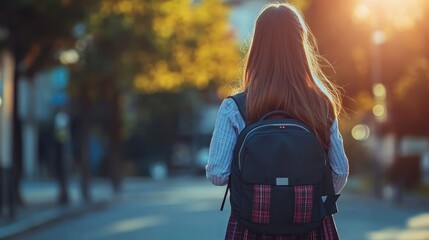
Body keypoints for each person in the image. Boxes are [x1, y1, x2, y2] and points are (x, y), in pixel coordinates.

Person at [206, 3, 349, 240]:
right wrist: (305, 191)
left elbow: (218, 175)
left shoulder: (235, 108)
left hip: (251, 227)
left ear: (256, 47)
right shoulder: (322, 104)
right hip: (311, 226)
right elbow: (340, 172)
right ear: (300, 46)